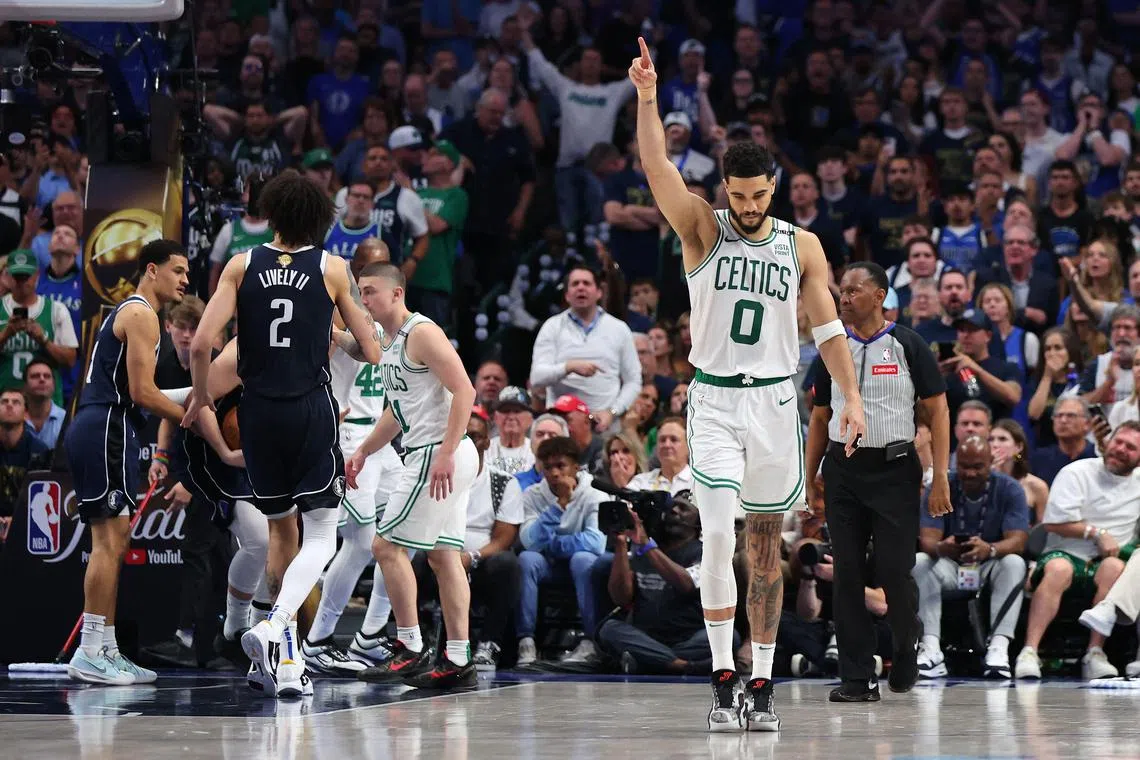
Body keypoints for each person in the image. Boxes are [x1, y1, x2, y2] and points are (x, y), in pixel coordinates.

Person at [630, 38, 866, 731]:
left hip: (774, 401)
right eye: (740, 196)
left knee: (766, 544)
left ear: (776, 188)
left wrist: (849, 395)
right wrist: (647, 99)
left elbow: (827, 331)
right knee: (716, 536)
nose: (750, 206)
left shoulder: (802, 245)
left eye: (759, 195)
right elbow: (655, 167)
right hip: (714, 399)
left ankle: (762, 683)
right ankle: (722, 676)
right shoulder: (704, 226)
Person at [185, 172, 381, 698]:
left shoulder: (240, 264)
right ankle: (276, 625)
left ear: (270, 215)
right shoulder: (332, 267)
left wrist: (202, 397)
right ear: (321, 219)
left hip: (258, 415)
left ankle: (285, 661)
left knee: (280, 533)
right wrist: (334, 332)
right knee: (322, 535)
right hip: (311, 411)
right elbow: (373, 351)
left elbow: (201, 342)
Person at [806, 262, 951, 702]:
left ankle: (906, 644)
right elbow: (819, 417)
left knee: (893, 569)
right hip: (844, 470)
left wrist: (940, 474)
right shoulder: (830, 347)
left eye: (854, 291)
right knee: (847, 572)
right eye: (842, 292)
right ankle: (856, 677)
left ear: (881, 295)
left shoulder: (908, 344)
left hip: (895, 471)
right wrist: (810, 477)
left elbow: (939, 411)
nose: (845, 298)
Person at [341, 262, 479, 689]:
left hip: (439, 453)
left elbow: (465, 390)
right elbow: (399, 412)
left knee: (385, 546)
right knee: (442, 556)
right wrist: (364, 449)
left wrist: (446, 451)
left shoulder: (422, 332)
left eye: (370, 292)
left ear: (397, 294)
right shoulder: (386, 341)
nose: (364, 300)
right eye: (360, 293)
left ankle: (409, 647)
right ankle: (458, 656)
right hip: (445, 453)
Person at [64, 239, 191, 685]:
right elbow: (142, 394)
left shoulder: (142, 315)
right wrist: (194, 415)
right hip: (106, 428)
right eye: (178, 270)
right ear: (152, 270)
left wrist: (192, 400)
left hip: (109, 426)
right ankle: (89, 651)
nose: (185, 279)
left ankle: (106, 647)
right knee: (107, 545)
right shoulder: (140, 314)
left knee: (116, 544)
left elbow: (143, 393)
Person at [301, 243, 403, 676]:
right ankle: (318, 640)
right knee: (361, 541)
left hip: (378, 441)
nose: (363, 288)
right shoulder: (331, 318)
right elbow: (364, 350)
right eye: (359, 277)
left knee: (404, 539)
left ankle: (371, 634)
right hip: (343, 438)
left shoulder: (393, 323)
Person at [1015, 422, 1140, 680]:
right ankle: (1029, 651)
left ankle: (1094, 653)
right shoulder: (1076, 472)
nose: (1121, 449)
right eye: (1118, 441)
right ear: (1108, 441)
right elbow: (1052, 522)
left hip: (1111, 559)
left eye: (1131, 447)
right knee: (1058, 570)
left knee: (1114, 569)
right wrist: (1096, 533)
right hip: (1065, 552)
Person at [912, 436, 1030, 680]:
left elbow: (1018, 540)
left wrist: (990, 549)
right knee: (921, 561)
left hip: (989, 565)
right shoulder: (940, 486)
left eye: (978, 466)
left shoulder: (1010, 488)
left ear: (991, 462)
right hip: (951, 566)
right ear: (956, 462)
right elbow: (927, 540)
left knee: (1014, 563)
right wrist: (944, 548)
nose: (971, 473)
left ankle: (999, 649)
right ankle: (931, 648)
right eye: (965, 466)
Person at [514, 435, 606, 667]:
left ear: (576, 466)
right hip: (548, 566)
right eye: (548, 467)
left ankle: (590, 641)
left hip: (580, 567)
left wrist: (553, 545)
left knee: (583, 559)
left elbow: (596, 543)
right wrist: (559, 506)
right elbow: (529, 542)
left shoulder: (595, 493)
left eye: (561, 466)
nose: (555, 473)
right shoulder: (532, 495)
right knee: (527, 559)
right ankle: (526, 641)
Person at [598, 491, 711, 674]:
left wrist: (647, 546)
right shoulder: (642, 547)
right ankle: (680, 665)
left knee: (729, 637)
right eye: (672, 506)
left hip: (688, 637)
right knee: (608, 629)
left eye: (683, 508)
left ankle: (647, 659)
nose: (674, 510)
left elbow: (686, 583)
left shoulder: (704, 552)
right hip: (646, 635)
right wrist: (620, 544)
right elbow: (621, 598)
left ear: (698, 521)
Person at [990, 420, 1050, 524]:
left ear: (1019, 447)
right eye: (991, 439)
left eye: (1002, 439)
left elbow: (1042, 530)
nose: (995, 444)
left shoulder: (1037, 486)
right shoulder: (982, 481)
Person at [22, 358, 65, 448]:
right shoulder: (13, 419)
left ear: (53, 386)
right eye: (35, 376)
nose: (42, 379)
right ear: (24, 386)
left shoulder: (66, 420)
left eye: (47, 376)